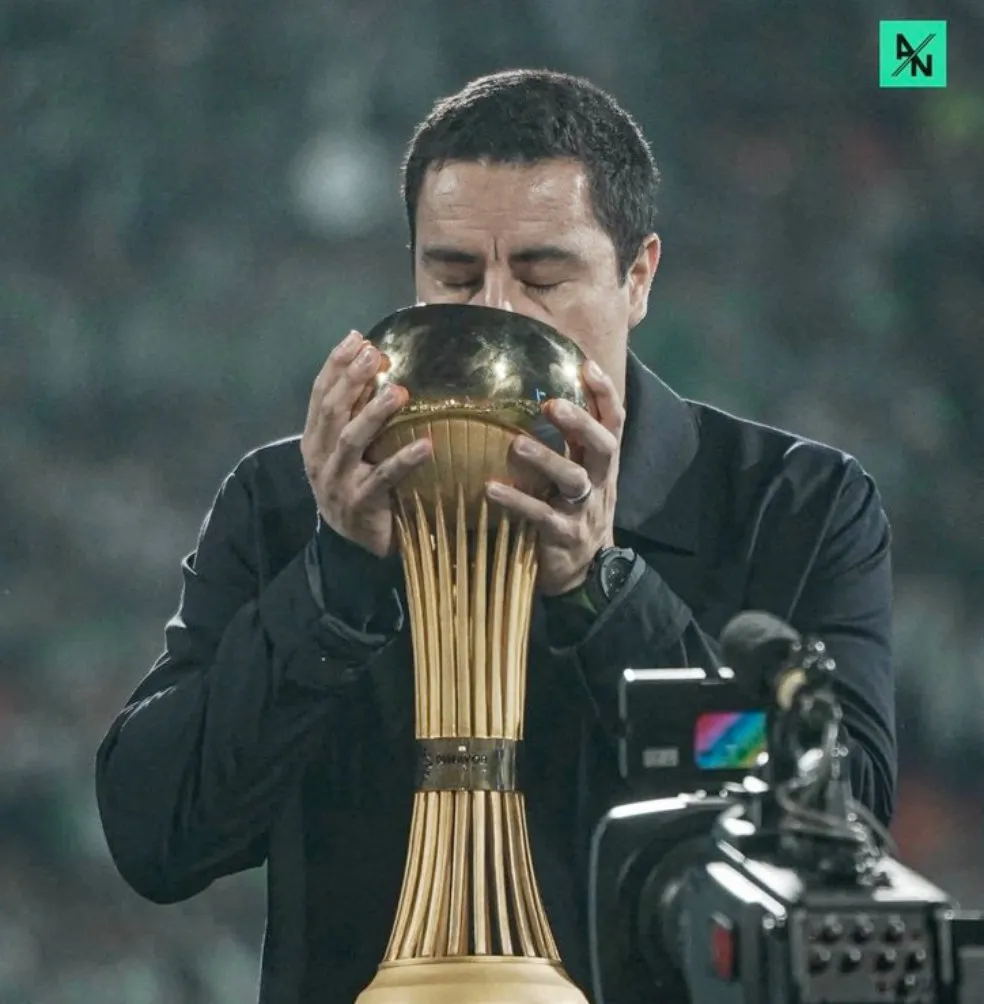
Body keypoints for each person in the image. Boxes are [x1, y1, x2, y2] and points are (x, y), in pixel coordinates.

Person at [95, 69, 896, 1004]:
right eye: (455, 275)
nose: (498, 314)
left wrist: (605, 594)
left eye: (544, 276)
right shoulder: (288, 503)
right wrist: (335, 582)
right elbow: (157, 838)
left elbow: (837, 830)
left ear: (638, 277)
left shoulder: (793, 508)